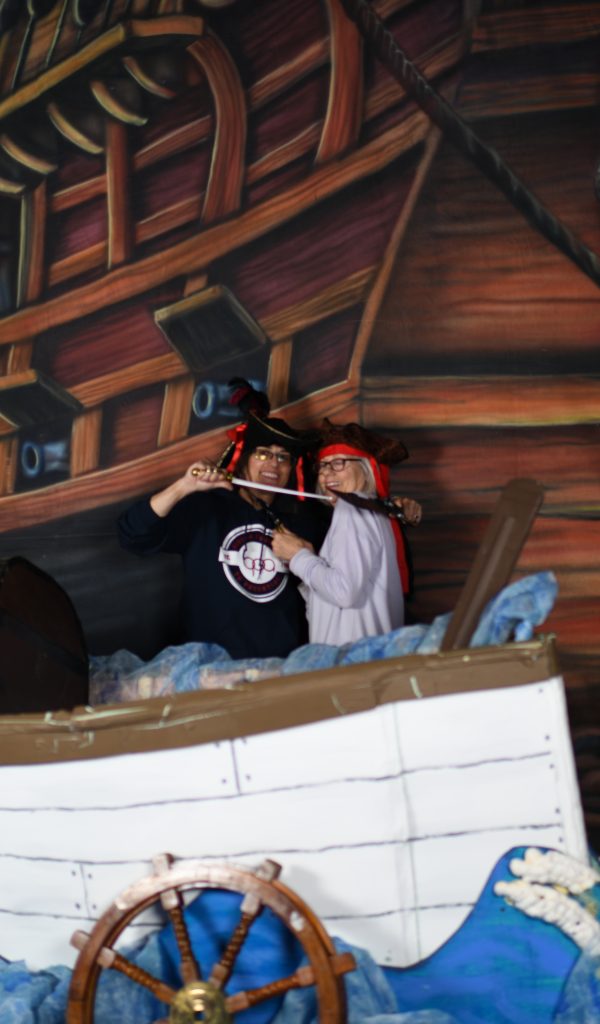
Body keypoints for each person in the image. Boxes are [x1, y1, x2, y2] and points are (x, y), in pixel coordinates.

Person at [117, 384, 328, 659]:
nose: (273, 464)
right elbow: (133, 534)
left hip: (279, 667)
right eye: (263, 453)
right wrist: (183, 487)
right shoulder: (207, 509)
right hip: (210, 667)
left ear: (291, 468)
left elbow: (330, 593)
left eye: (283, 457)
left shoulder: (303, 524)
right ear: (244, 460)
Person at [271, 420, 411, 646]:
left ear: (365, 469)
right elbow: (332, 607)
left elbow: (343, 592)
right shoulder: (373, 511)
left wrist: (298, 557)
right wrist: (308, 558)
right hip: (365, 656)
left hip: (352, 660)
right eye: (323, 466)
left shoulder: (353, 507)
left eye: (338, 463)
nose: (326, 474)